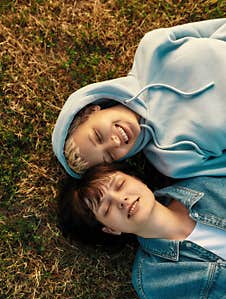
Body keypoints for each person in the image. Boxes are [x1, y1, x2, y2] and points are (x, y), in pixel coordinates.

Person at [58, 164, 226, 299]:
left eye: (120, 185)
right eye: (107, 209)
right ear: (111, 229)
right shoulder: (153, 279)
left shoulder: (202, 185)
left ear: (137, 179)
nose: (121, 200)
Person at [52, 18, 226, 179]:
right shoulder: (173, 161)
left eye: (98, 136)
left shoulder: (152, 48)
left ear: (90, 111)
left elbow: (218, 28)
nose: (113, 142)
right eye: (109, 157)